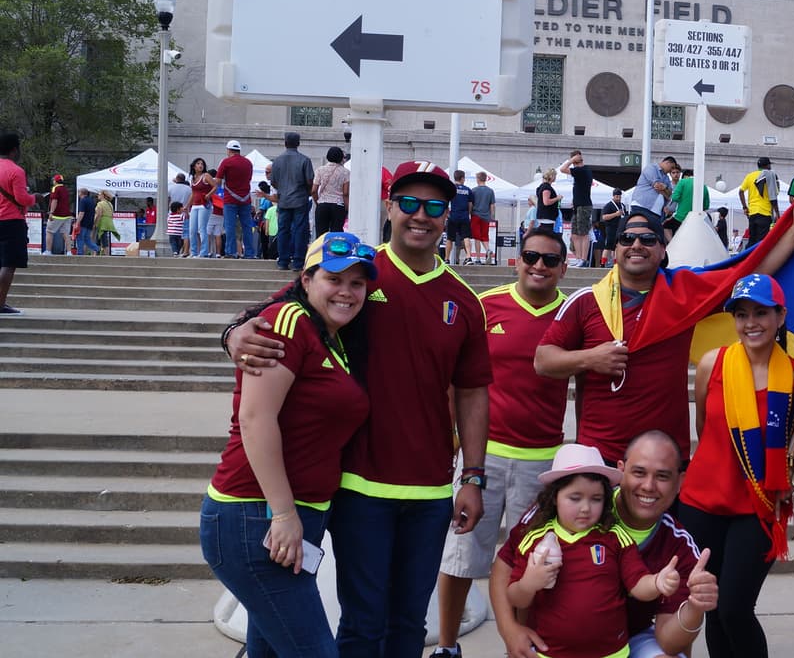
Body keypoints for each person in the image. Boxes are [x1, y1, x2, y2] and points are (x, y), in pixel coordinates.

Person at [225, 159, 491, 657]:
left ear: (447, 214)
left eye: (434, 206)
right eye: (408, 202)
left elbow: (473, 390)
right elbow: (277, 309)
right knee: (363, 625)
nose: (420, 215)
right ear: (390, 207)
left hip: (431, 489)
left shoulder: (464, 299)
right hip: (358, 485)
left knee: (409, 625)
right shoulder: (357, 274)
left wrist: (473, 477)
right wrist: (233, 332)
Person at [201, 231, 377, 658]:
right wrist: (282, 513)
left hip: (298, 521)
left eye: (358, 283)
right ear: (307, 278)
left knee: (269, 650)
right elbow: (255, 417)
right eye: (334, 279)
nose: (347, 292)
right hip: (255, 518)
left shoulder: (333, 340)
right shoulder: (289, 320)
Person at [534, 206, 794, 466]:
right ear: (615, 248)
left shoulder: (683, 291)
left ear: (663, 248)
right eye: (627, 238)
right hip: (599, 456)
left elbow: (749, 275)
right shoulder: (586, 301)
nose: (636, 245)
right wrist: (590, 358)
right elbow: (543, 360)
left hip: (667, 460)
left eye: (648, 239)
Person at [431, 228, 570, 658]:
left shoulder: (573, 315)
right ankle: (448, 646)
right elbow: (456, 379)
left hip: (542, 460)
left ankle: (522, 649)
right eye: (531, 255)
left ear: (564, 267)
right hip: (482, 458)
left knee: (534, 565)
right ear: (518, 259)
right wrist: (453, 439)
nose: (539, 265)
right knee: (459, 558)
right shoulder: (485, 306)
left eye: (550, 260)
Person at [491, 431, 718, 658]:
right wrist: (510, 630)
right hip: (552, 642)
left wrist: (695, 607)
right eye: (639, 472)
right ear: (621, 470)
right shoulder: (561, 510)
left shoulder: (677, 545)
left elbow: (669, 643)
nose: (648, 486)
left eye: (662, 476)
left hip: (626, 642)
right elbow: (504, 566)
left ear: (679, 482)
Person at [682, 273, 794, 658]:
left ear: (780, 316)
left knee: (735, 608)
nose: (751, 323)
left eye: (761, 313)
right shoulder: (712, 364)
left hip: (758, 505)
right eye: (742, 313)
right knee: (712, 608)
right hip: (701, 503)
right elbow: (705, 428)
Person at [0, 133, 35, 314]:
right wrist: (33, 198)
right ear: (14, 150)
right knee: (8, 264)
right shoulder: (16, 171)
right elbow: (22, 198)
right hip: (11, 221)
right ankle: (0, 303)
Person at [271, 133, 315, 271]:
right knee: (300, 230)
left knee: (283, 230)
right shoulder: (305, 160)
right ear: (298, 143)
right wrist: (306, 191)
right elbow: (309, 180)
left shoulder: (277, 161)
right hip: (300, 199)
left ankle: (283, 261)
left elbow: (273, 181)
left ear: (285, 143)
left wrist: (283, 188)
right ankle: (298, 262)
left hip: (283, 200)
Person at [219, 140, 257, 260]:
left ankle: (231, 252)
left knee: (230, 226)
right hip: (245, 199)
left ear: (229, 150)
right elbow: (249, 179)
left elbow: (218, 180)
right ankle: (249, 253)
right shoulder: (248, 163)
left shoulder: (226, 162)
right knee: (247, 226)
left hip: (230, 199)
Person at [559, 151, 595, 267]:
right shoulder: (582, 171)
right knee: (574, 234)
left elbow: (562, 169)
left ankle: (583, 259)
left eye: (573, 161)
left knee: (583, 233)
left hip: (584, 205)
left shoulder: (582, 170)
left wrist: (570, 160)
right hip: (578, 205)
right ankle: (579, 258)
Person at [738, 157, 779, 248]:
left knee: (752, 240)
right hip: (764, 213)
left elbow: (741, 192)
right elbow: (773, 197)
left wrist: (745, 207)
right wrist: (777, 213)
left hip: (752, 213)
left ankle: (747, 259)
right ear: (767, 165)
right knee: (761, 243)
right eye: (770, 165)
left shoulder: (750, 176)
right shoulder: (770, 176)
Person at [313, 146, 350, 235]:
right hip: (338, 206)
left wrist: (318, 202)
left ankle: (321, 249)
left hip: (322, 205)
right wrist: (347, 208)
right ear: (341, 158)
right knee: (336, 235)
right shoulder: (346, 172)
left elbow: (314, 190)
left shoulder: (320, 170)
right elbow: (345, 193)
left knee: (321, 235)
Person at [667, 168, 711, 236]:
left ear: (685, 176)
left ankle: (671, 244)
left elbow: (675, 197)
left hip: (680, 217)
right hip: (696, 220)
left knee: (665, 227)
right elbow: (706, 206)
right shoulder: (704, 186)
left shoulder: (682, 182)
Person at [633, 156, 676, 222]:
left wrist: (665, 187)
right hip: (642, 206)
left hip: (657, 212)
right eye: (672, 167)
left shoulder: (666, 177)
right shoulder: (651, 168)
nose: (671, 170)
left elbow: (670, 193)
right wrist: (666, 192)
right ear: (667, 163)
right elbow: (657, 186)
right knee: (640, 230)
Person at [188, 159, 216, 258]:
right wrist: (187, 206)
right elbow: (193, 194)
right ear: (194, 166)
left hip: (204, 205)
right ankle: (193, 252)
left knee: (201, 228)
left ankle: (203, 252)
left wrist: (209, 194)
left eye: (202, 164)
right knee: (192, 230)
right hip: (195, 205)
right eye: (198, 164)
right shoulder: (193, 178)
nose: (200, 165)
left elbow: (215, 186)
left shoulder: (206, 176)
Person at [446, 170, 474, 264]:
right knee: (466, 237)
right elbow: (470, 204)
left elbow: (446, 202)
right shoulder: (468, 190)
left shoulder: (451, 189)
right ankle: (468, 257)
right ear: (462, 178)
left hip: (453, 216)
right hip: (464, 217)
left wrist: (447, 214)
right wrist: (468, 214)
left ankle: (447, 259)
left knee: (450, 238)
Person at [469, 171, 496, 265]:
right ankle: (488, 250)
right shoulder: (490, 191)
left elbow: (471, 204)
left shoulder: (474, 190)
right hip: (486, 217)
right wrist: (492, 216)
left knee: (477, 237)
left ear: (478, 179)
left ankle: (477, 258)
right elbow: (492, 205)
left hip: (476, 215)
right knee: (485, 237)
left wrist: (470, 213)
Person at [44, 174, 72, 255]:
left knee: (49, 231)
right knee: (65, 233)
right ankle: (69, 252)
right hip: (67, 215)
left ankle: (48, 251)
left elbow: (54, 201)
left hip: (57, 215)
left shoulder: (55, 188)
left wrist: (51, 212)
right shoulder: (65, 189)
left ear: (55, 181)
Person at [169, 172, 193, 257]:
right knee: (185, 233)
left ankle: (176, 251)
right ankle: (185, 251)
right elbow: (192, 200)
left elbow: (168, 199)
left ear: (177, 179)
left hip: (173, 213)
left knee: (174, 233)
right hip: (185, 213)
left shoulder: (171, 188)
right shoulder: (189, 189)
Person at [74, 188, 100, 258]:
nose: (78, 194)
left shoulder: (83, 201)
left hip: (83, 223)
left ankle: (80, 253)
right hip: (90, 223)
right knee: (87, 239)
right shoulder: (91, 201)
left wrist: (77, 223)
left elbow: (81, 213)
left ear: (81, 193)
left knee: (80, 238)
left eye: (79, 192)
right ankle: (97, 248)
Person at [93, 190, 117, 256]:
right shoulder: (110, 204)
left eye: (99, 194)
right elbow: (112, 214)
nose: (98, 195)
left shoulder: (100, 204)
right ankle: (95, 254)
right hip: (108, 222)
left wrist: (95, 223)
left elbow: (98, 214)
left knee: (103, 239)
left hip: (101, 222)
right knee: (99, 238)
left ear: (103, 196)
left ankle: (106, 255)